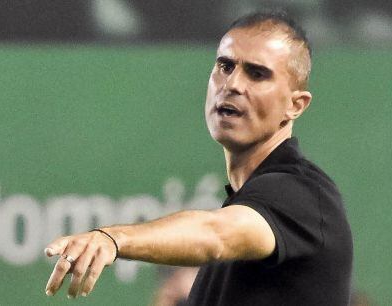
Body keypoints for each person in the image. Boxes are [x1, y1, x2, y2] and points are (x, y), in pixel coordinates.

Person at [43, 11, 353, 305]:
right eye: (225, 66)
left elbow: (214, 235)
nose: (232, 84)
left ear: (296, 105)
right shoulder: (247, 204)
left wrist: (113, 239)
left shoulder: (303, 194)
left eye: (257, 74)